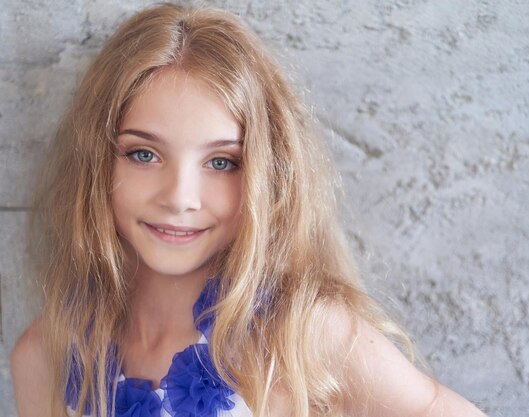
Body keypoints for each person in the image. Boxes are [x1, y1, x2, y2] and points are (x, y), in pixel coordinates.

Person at [11, 4, 486, 417]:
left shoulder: (300, 334)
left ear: (266, 175)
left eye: (221, 162)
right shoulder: (43, 357)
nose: (179, 197)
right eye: (144, 154)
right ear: (96, 160)